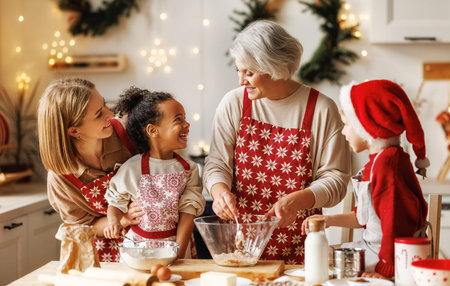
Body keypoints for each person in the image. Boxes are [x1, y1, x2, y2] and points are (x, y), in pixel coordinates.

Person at [203, 20, 351, 264]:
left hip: (300, 247)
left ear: (275, 68)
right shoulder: (234, 103)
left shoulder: (321, 109)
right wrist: (219, 192)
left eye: (249, 73)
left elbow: (336, 180)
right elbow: (217, 162)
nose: (241, 81)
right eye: (238, 71)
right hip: (238, 246)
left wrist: (298, 200)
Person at [302, 79, 429, 279]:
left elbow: (396, 224)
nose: (343, 132)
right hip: (377, 253)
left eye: (346, 124)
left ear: (367, 125)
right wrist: (330, 220)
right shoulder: (377, 162)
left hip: (392, 260)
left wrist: (385, 271)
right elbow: (368, 220)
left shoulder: (389, 165)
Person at [38, 78, 145, 262]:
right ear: (73, 131)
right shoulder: (61, 178)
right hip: (104, 256)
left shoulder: (127, 132)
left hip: (153, 241)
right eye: (98, 114)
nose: (110, 113)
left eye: (104, 104)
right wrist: (123, 218)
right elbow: (83, 227)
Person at [103, 87, 205, 259]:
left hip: (177, 246)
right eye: (178, 119)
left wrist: (178, 254)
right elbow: (115, 202)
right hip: (137, 248)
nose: (186, 124)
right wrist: (114, 222)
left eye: (185, 119)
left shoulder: (189, 169)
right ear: (152, 131)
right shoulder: (131, 168)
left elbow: (188, 213)